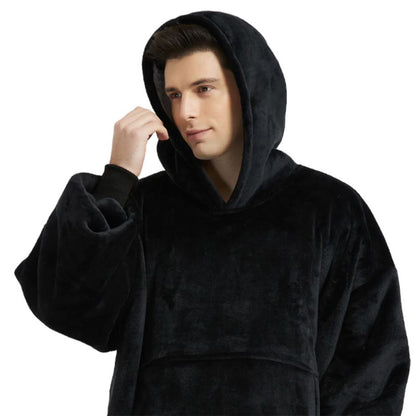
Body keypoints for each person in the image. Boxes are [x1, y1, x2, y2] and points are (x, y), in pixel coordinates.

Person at [14, 10, 410, 416]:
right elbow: (69, 308)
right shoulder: (145, 208)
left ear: (250, 90)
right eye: (173, 95)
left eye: (203, 89)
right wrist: (118, 179)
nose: (185, 111)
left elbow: (370, 369)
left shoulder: (329, 208)